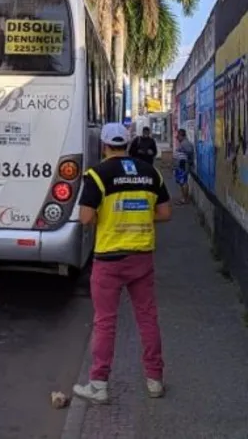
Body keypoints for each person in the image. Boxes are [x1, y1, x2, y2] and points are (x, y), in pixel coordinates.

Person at [73, 122, 172, 404]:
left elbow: (86, 218)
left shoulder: (97, 175)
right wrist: (137, 217)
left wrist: (113, 216)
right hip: (141, 258)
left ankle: (99, 385)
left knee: (105, 322)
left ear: (104, 146)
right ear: (128, 144)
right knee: (147, 318)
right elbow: (164, 213)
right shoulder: (150, 172)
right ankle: (155, 381)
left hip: (109, 259)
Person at [173, 129, 194, 204]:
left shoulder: (186, 143)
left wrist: (181, 152)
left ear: (182, 135)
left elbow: (189, 152)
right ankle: (183, 198)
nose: (177, 137)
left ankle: (185, 199)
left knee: (184, 182)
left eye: (178, 136)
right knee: (182, 182)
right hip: (181, 165)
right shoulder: (183, 143)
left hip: (183, 166)